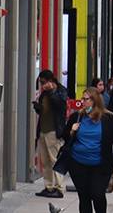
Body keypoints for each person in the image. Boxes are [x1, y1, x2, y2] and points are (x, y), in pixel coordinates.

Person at [68, 88, 113, 213]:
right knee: (84, 197)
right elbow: (64, 136)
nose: (83, 102)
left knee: (98, 194)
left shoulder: (108, 118)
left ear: (95, 101)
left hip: (100, 165)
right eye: (82, 99)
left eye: (86, 99)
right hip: (78, 164)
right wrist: (72, 131)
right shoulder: (77, 116)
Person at [34, 69, 71, 198]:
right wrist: (38, 108)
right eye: (41, 83)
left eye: (44, 82)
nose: (42, 85)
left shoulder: (60, 91)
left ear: (50, 81)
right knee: (45, 161)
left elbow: (60, 104)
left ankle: (59, 187)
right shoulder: (44, 94)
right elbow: (44, 111)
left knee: (55, 160)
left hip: (54, 131)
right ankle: (49, 186)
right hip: (43, 130)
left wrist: (51, 92)